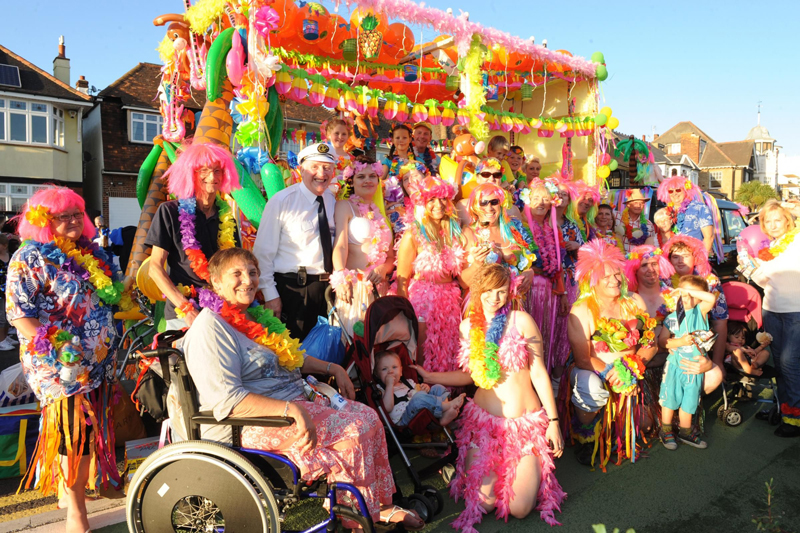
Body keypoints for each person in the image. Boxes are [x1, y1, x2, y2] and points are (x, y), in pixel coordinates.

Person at [183, 248, 424, 530]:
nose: (247, 280)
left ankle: (376, 506)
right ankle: (353, 516)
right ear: (216, 283)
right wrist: (291, 410)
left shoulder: (256, 317)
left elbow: (293, 358)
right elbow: (229, 401)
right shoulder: (210, 328)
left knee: (369, 416)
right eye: (236, 274)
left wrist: (332, 368)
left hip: (292, 404)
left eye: (252, 272)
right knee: (352, 429)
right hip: (249, 422)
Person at [411, 264, 565, 532]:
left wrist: (553, 421)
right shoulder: (468, 327)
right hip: (484, 426)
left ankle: (526, 468)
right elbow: (469, 376)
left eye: (502, 291)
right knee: (484, 503)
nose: (495, 298)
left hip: (523, 426)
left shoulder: (522, 321)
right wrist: (430, 376)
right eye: (489, 291)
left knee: (519, 508)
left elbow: (539, 372)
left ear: (510, 292)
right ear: (477, 290)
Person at [6, 186, 125, 533]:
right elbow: (20, 316)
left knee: (84, 432)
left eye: (77, 214)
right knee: (73, 433)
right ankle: (75, 514)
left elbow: (108, 296)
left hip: (97, 362)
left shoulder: (87, 251)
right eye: (63, 216)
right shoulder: (28, 258)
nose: (73, 220)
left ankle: (67, 492)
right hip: (60, 366)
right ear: (44, 220)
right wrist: (61, 352)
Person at [565, 240, 658, 468]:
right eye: (606, 277)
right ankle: (585, 436)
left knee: (646, 425)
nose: (615, 280)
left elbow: (651, 344)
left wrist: (631, 369)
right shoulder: (582, 310)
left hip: (632, 370)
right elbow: (583, 359)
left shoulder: (634, 301)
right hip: (595, 371)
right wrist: (614, 374)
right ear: (592, 280)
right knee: (592, 391)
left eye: (617, 274)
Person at [145, 141, 241, 330]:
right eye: (202, 170)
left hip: (221, 310)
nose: (211, 176)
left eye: (217, 170)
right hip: (184, 313)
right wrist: (186, 308)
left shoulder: (227, 218)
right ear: (190, 174)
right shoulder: (169, 211)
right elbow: (154, 268)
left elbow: (235, 266)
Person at [254, 143, 338, 341]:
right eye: (315, 167)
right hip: (295, 290)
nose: (321, 173)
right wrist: (270, 295)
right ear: (301, 170)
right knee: (295, 358)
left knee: (325, 354)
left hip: (327, 291)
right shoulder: (282, 201)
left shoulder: (332, 200)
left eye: (327, 167)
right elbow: (262, 254)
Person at [396, 175, 467, 372]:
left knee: (447, 351)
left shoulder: (454, 233)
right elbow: (402, 280)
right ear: (422, 203)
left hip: (450, 303)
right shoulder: (413, 234)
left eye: (443, 198)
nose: (439, 204)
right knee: (422, 355)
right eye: (432, 200)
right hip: (423, 303)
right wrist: (406, 316)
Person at [749, 199, 800, 437]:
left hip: (795, 311)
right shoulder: (772, 247)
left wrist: (758, 269)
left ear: (788, 220)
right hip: (772, 310)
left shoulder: (797, 241)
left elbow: (764, 274)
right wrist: (756, 269)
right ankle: (784, 409)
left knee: (790, 363)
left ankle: (795, 417)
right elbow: (761, 280)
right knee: (779, 363)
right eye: (768, 221)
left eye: (778, 219)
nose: (773, 224)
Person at [331, 159, 394, 338]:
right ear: (351, 181)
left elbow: (390, 257)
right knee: (353, 347)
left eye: (372, 176)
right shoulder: (345, 206)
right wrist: (340, 277)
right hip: (354, 288)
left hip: (380, 291)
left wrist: (383, 269)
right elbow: (341, 245)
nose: (368, 180)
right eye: (361, 176)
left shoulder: (380, 214)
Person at [658, 275, 717, 450]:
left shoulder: (701, 312)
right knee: (669, 398)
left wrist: (689, 291)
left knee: (689, 400)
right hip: (675, 365)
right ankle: (666, 429)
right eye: (682, 293)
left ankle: (685, 431)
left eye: (692, 294)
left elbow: (711, 298)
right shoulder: (671, 317)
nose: (687, 297)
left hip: (694, 368)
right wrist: (680, 342)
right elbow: (663, 341)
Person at [663, 235, 728, 385]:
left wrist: (717, 362)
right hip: (670, 343)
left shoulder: (710, 281)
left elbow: (720, 322)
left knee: (712, 375)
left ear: (696, 257)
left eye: (685, 256)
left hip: (698, 344)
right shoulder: (663, 281)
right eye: (675, 257)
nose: (680, 261)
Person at [518, 180, 565, 372]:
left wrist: (561, 294)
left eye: (545, 199)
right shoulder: (518, 226)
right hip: (526, 289)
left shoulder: (555, 230)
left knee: (546, 335)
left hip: (548, 291)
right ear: (527, 201)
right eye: (536, 198)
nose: (541, 202)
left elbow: (559, 266)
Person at [461, 183, 536, 294]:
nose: (489, 208)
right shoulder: (469, 233)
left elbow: (529, 257)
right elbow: (463, 283)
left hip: (515, 301)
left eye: (494, 202)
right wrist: (477, 263)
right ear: (475, 207)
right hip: (484, 305)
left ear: (501, 204)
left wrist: (530, 272)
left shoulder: (514, 227)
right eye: (483, 203)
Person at [374, 350, 465, 427]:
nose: (390, 371)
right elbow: (387, 408)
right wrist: (389, 385)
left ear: (401, 371)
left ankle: (444, 413)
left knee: (437, 387)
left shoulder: (409, 383)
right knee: (418, 398)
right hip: (404, 419)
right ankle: (447, 406)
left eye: (394, 367)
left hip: (421, 410)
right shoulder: (381, 389)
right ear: (377, 375)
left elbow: (421, 394)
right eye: (384, 369)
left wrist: (425, 389)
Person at [456, 158, 521, 226]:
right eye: (486, 174)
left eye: (496, 175)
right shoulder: (463, 206)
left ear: (501, 178)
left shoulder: (512, 210)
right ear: (477, 178)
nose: (491, 179)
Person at [656, 176, 714, 253]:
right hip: (671, 258)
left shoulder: (699, 207)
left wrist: (702, 260)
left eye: (678, 190)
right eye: (671, 191)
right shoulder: (666, 211)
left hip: (693, 257)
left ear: (685, 190)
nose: (674, 193)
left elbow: (709, 237)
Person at [385, 161, 425, 243]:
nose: (410, 181)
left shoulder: (437, 204)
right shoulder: (396, 209)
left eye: (414, 176)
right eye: (405, 179)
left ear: (426, 177)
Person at [0, 234, 16, 351]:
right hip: (0, 292)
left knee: (6, 316)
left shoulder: (10, 256)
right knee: (1, 317)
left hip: (9, 291)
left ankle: (5, 336)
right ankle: (1, 340)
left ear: (5, 245)